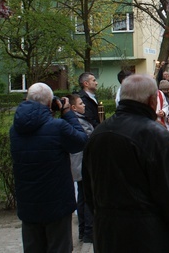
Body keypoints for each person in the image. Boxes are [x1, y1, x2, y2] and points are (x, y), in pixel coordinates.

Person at [82, 74, 169, 252]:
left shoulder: (98, 134)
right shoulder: (157, 137)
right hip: (151, 238)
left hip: (108, 236)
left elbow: (89, 191)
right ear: (152, 100)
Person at [10, 82, 88, 253]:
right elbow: (81, 141)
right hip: (57, 205)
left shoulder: (15, 129)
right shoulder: (57, 127)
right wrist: (67, 113)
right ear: (49, 102)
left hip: (28, 204)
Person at [67, 93, 95, 243]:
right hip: (82, 162)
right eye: (80, 104)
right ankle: (88, 231)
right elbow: (90, 137)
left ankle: (83, 230)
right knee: (86, 195)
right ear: (73, 107)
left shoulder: (77, 119)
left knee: (83, 195)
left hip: (79, 162)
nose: (84, 105)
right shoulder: (79, 121)